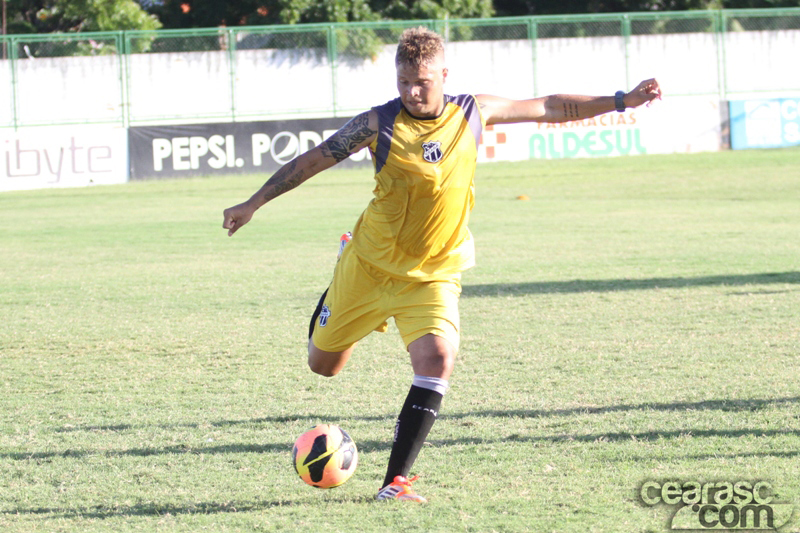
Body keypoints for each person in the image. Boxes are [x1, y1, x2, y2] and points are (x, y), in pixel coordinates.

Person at [223, 26, 662, 503]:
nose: (412, 91)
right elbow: (313, 160)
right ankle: (336, 281)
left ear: (444, 75)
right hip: (368, 266)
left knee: (437, 358)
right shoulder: (378, 124)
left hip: (434, 272)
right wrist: (254, 202)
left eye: (423, 81)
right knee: (322, 367)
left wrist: (622, 99)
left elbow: (551, 106)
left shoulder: (473, 111)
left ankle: (395, 482)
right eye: (404, 81)